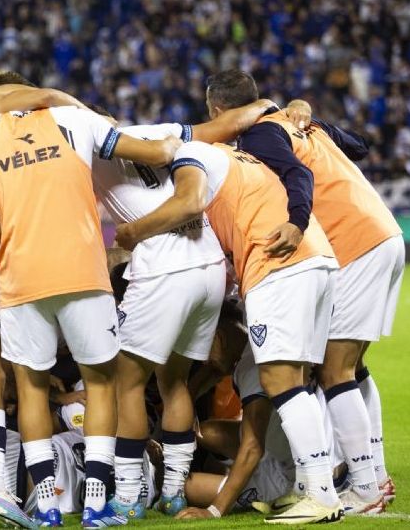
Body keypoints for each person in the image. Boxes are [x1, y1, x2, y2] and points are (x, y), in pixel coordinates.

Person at [0, 97, 180, 527]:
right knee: (102, 385)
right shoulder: (77, 120)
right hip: (82, 272)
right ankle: (96, 506)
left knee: (29, 388)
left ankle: (46, 506)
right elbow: (157, 153)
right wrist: (178, 141)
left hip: (21, 280)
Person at [115, 137, 343, 524]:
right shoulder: (241, 161)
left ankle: (320, 494)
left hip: (277, 263)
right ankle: (312, 487)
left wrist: (133, 233)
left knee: (280, 381)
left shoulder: (192, 155)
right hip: (315, 258)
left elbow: (188, 203)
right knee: (294, 381)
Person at [209, 69, 403, 513]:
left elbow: (297, 174)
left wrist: (297, 221)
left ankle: (366, 487)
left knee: (335, 371)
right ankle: (370, 476)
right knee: (349, 368)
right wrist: (308, 115)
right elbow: (358, 145)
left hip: (353, 242)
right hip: (381, 233)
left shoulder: (258, 136)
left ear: (218, 111)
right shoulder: (293, 122)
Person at [89, 99, 283, 519]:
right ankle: (174, 492)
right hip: (209, 266)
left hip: (164, 269)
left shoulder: (82, 151)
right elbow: (226, 124)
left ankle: (128, 495)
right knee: (173, 379)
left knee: (127, 381)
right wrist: (269, 105)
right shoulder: (152, 130)